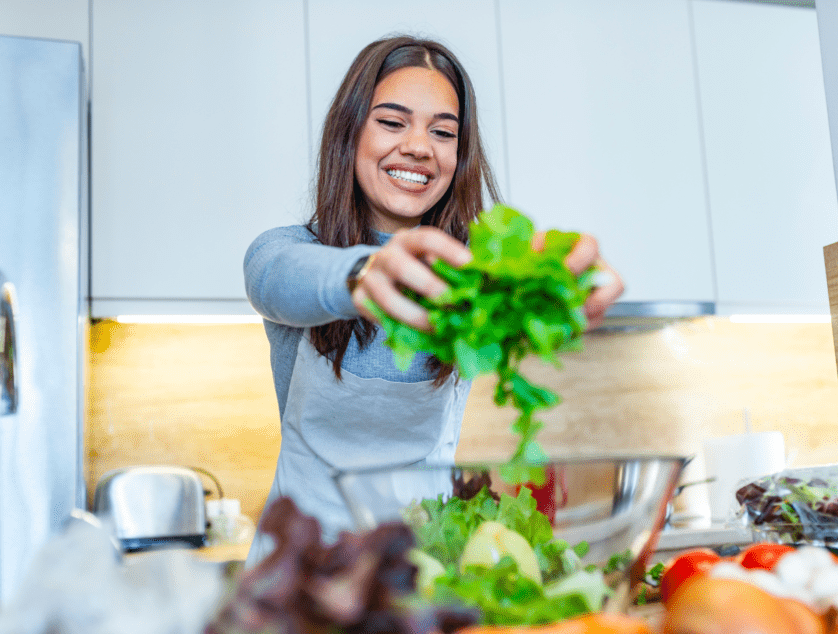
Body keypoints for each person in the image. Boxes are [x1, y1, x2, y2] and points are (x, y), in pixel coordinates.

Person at [242, 35, 624, 566]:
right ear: (349, 134)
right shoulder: (291, 252)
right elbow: (274, 278)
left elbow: (555, 289)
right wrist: (364, 271)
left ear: (458, 155)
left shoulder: (471, 279)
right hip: (301, 573)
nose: (419, 146)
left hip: (420, 566)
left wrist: (563, 287)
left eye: (443, 132)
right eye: (392, 123)